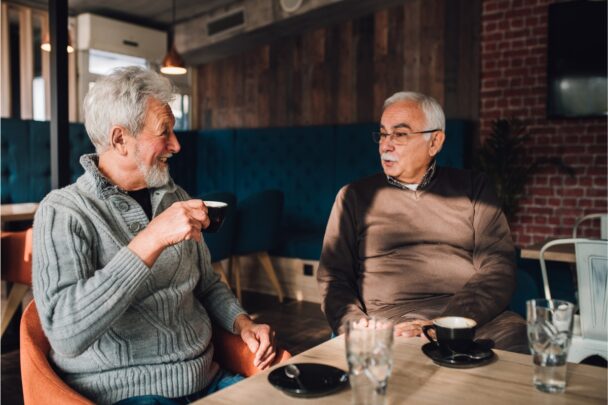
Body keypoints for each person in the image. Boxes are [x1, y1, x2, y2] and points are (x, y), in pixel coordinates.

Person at [32, 66, 276, 405]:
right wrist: (151, 238)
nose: (176, 145)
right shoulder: (63, 212)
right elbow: (65, 334)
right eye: (165, 132)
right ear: (120, 140)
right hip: (127, 394)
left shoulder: (174, 196)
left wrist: (242, 323)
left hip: (207, 378)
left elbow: (206, 284)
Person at [317, 91, 527, 353]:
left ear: (435, 142)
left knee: (516, 337)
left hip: (469, 317)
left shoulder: (474, 188)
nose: (385, 145)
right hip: (391, 321)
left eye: (400, 134)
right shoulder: (354, 197)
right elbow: (333, 278)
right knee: (403, 361)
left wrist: (444, 324)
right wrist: (357, 326)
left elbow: (499, 266)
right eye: (383, 134)